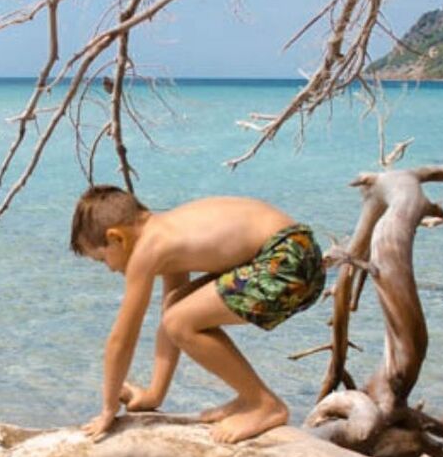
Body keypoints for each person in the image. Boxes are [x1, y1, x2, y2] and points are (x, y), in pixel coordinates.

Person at [71, 185, 325, 443]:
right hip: (298, 251)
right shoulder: (166, 231)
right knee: (177, 309)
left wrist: (108, 408)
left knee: (179, 321)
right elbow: (172, 315)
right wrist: (154, 395)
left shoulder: (148, 249)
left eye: (103, 260)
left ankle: (264, 404)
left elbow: (122, 339)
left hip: (286, 263)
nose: (110, 269)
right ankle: (249, 398)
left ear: (117, 238)